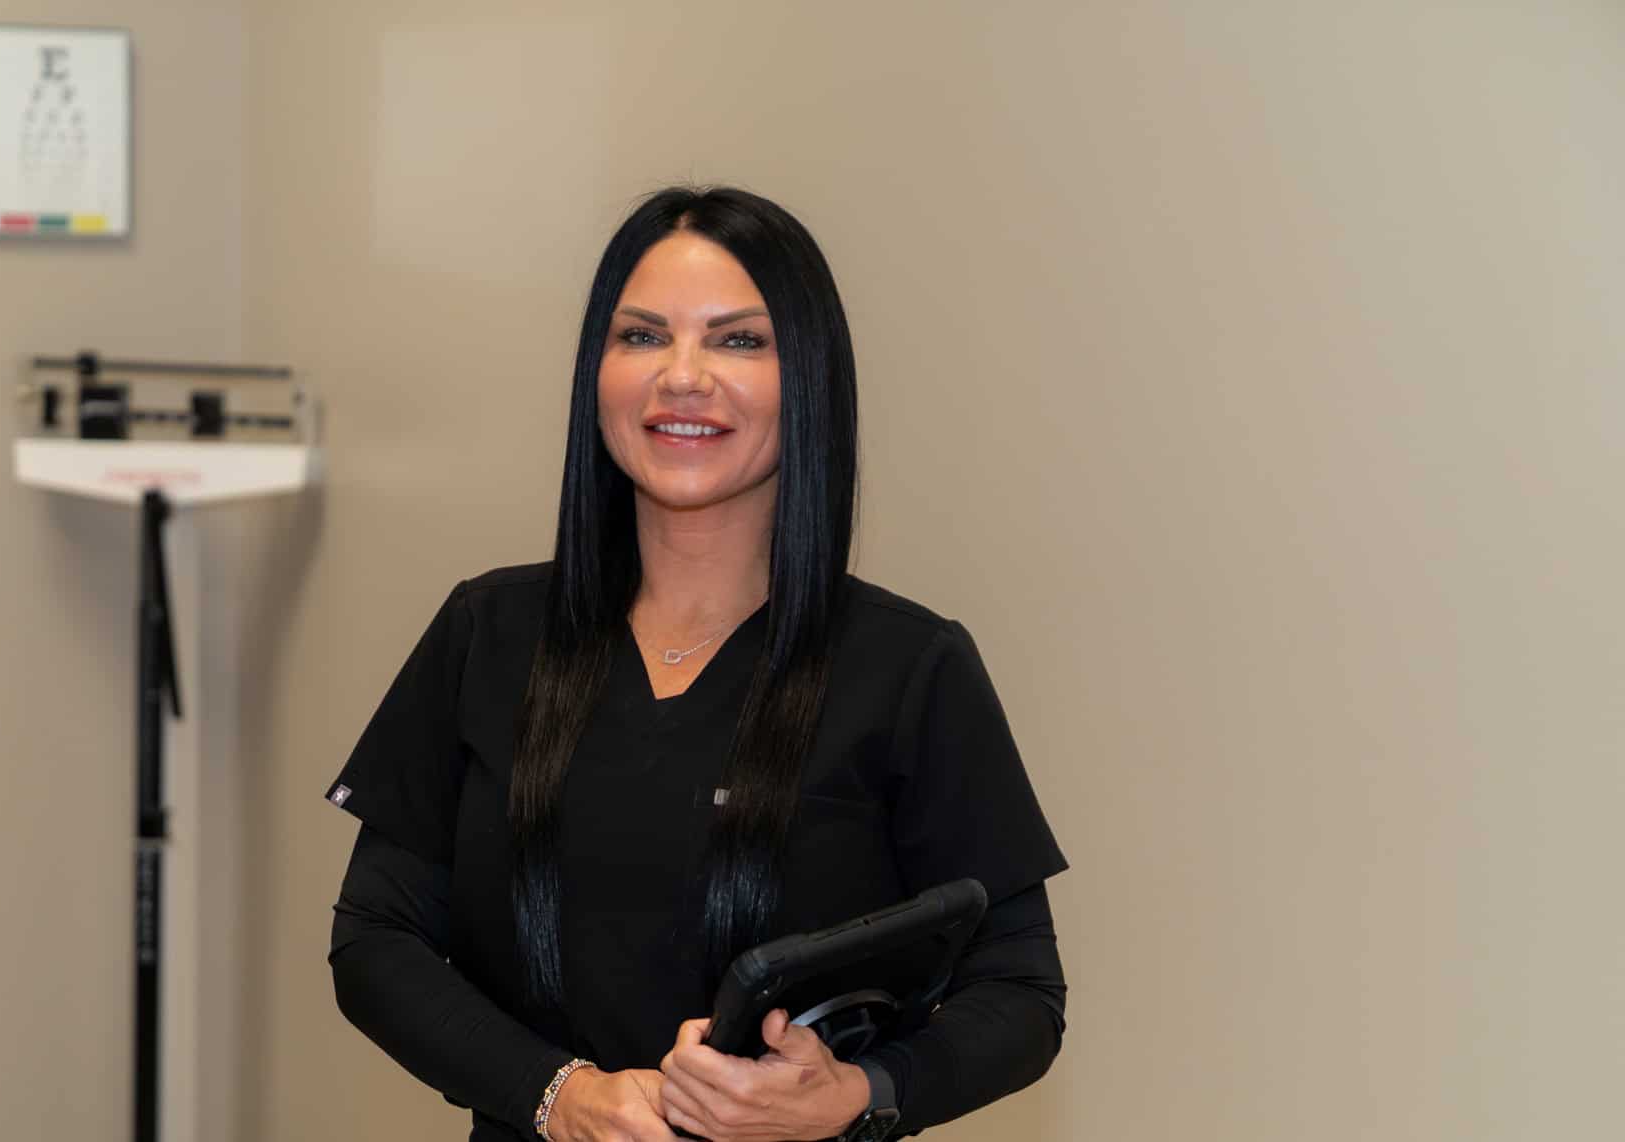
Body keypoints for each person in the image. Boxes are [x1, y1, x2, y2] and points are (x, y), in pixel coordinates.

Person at [327, 186, 1069, 1142]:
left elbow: (1018, 991)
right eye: (641, 337)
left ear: (809, 378)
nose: (682, 376)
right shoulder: (488, 630)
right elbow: (375, 940)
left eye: (738, 341)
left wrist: (855, 1094)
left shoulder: (911, 666)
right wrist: (559, 1096)